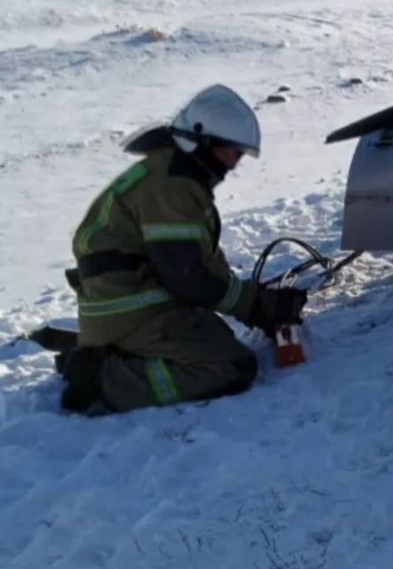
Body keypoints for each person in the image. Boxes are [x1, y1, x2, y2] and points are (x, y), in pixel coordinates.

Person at [53, 85, 307, 413]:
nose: (235, 161)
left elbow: (198, 262)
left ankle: (111, 354)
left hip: (132, 302)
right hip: (130, 309)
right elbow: (187, 276)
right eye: (231, 150)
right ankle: (103, 380)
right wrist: (257, 307)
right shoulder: (173, 184)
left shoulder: (174, 174)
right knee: (231, 367)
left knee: (216, 334)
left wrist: (256, 304)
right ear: (201, 139)